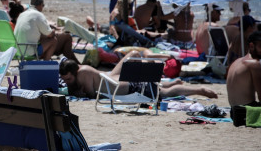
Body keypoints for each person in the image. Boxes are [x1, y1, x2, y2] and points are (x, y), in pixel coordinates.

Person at [59, 52, 218, 100]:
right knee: (158, 88)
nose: (67, 82)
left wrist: (80, 93)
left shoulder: (84, 72)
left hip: (128, 88)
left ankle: (199, 90)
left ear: (75, 72)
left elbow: (92, 95)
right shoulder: (79, 73)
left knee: (163, 94)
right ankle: (174, 83)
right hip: (122, 85)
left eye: (68, 79)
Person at [14, 0, 78, 62]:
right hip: (29, 51)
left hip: (18, 51)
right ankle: (46, 63)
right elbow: (50, 34)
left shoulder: (22, 14)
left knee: (43, 38)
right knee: (53, 40)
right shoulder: (38, 15)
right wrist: (54, 30)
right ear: (39, 5)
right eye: (43, 5)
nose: (43, 7)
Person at [226, 31, 261, 106]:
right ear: (251, 46)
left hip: (234, 112)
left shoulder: (236, 62)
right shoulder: (254, 64)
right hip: (246, 112)